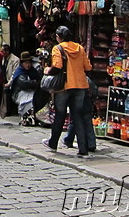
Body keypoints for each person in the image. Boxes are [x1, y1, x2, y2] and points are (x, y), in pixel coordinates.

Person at [42, 25, 93, 158]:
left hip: (64, 86)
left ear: (59, 37)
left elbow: (57, 66)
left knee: (60, 115)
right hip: (80, 85)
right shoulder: (80, 48)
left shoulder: (58, 48)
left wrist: (48, 70)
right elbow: (88, 66)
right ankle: (83, 149)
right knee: (78, 116)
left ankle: (53, 143)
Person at [62, 75, 98, 152]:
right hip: (87, 103)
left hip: (76, 104)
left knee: (74, 122)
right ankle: (91, 144)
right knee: (88, 123)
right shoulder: (87, 79)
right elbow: (95, 91)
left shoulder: (72, 80)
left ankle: (68, 140)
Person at [8, 51, 41, 119]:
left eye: (29, 63)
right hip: (20, 92)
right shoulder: (19, 72)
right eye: (26, 63)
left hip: (32, 91)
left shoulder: (33, 71)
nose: (28, 65)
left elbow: (38, 78)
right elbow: (24, 84)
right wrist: (34, 82)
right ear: (22, 63)